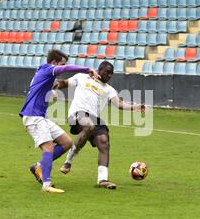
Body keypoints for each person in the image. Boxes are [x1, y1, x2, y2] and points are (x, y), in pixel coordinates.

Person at [54, 61, 145, 189]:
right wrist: (57, 84)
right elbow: (65, 83)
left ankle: (102, 180)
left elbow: (119, 104)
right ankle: (68, 161)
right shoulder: (82, 77)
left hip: (93, 117)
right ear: (100, 69)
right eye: (107, 72)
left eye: (111, 74)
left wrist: (135, 107)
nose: (109, 75)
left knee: (104, 142)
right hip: (77, 113)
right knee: (89, 126)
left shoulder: (109, 89)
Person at [19, 50, 99, 194]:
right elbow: (66, 69)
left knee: (67, 142)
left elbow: (45, 86)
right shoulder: (48, 69)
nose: (63, 66)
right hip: (33, 116)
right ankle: (47, 184)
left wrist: (53, 91)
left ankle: (39, 166)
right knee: (49, 147)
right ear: (54, 63)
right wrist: (87, 69)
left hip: (41, 117)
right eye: (61, 63)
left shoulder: (43, 72)